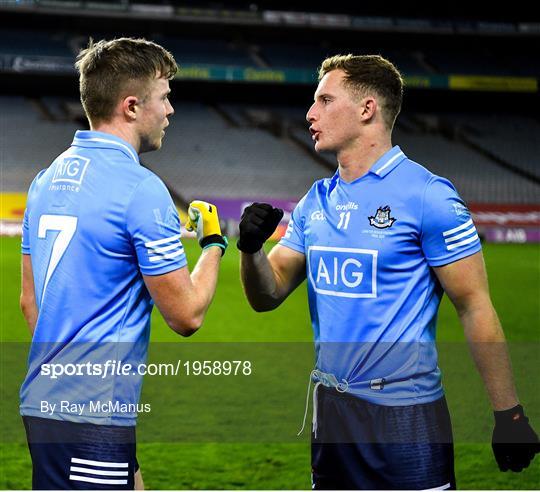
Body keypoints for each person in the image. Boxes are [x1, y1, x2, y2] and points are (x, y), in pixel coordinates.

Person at [237, 54, 539, 489]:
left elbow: (474, 306)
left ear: (367, 109)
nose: (310, 113)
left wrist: (508, 414)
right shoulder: (315, 201)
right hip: (332, 414)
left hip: (406, 417)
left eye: (324, 100)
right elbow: (267, 295)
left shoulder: (428, 196)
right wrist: (251, 251)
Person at [19, 37, 227, 490]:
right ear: (132, 106)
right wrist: (213, 244)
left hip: (45, 403)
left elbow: (30, 303)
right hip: (92, 412)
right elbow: (187, 315)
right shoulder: (141, 188)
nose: (170, 110)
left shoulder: (44, 179)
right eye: (165, 98)